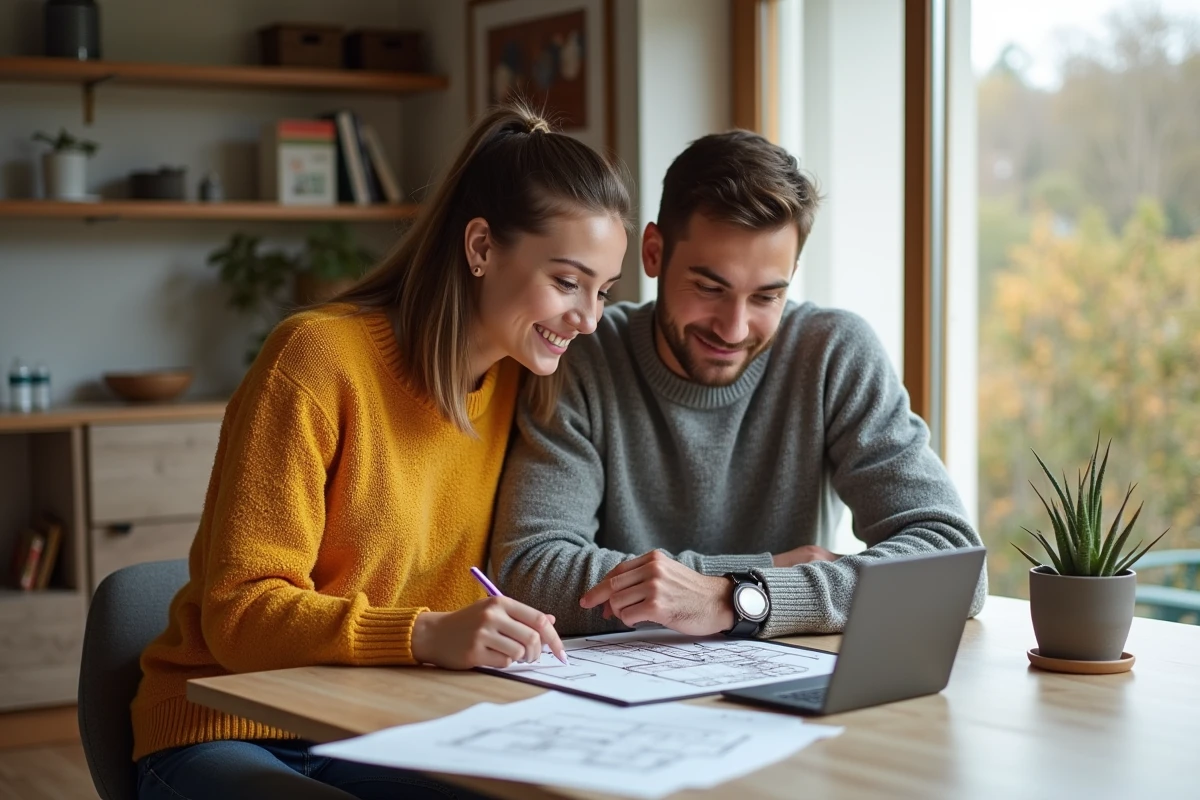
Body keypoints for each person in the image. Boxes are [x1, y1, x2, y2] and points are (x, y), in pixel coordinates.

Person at [130, 103, 630, 800]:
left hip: (388, 726)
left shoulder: (528, 382)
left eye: (604, 290)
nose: (589, 318)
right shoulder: (316, 358)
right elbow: (239, 614)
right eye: (568, 282)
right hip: (229, 723)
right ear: (481, 247)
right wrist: (424, 634)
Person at [491, 129, 986, 640]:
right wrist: (758, 570)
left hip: (783, 689)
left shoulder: (834, 355)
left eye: (767, 297)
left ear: (792, 274)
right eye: (709, 288)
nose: (733, 328)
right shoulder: (583, 357)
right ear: (654, 252)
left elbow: (955, 565)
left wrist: (736, 598)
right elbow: (529, 571)